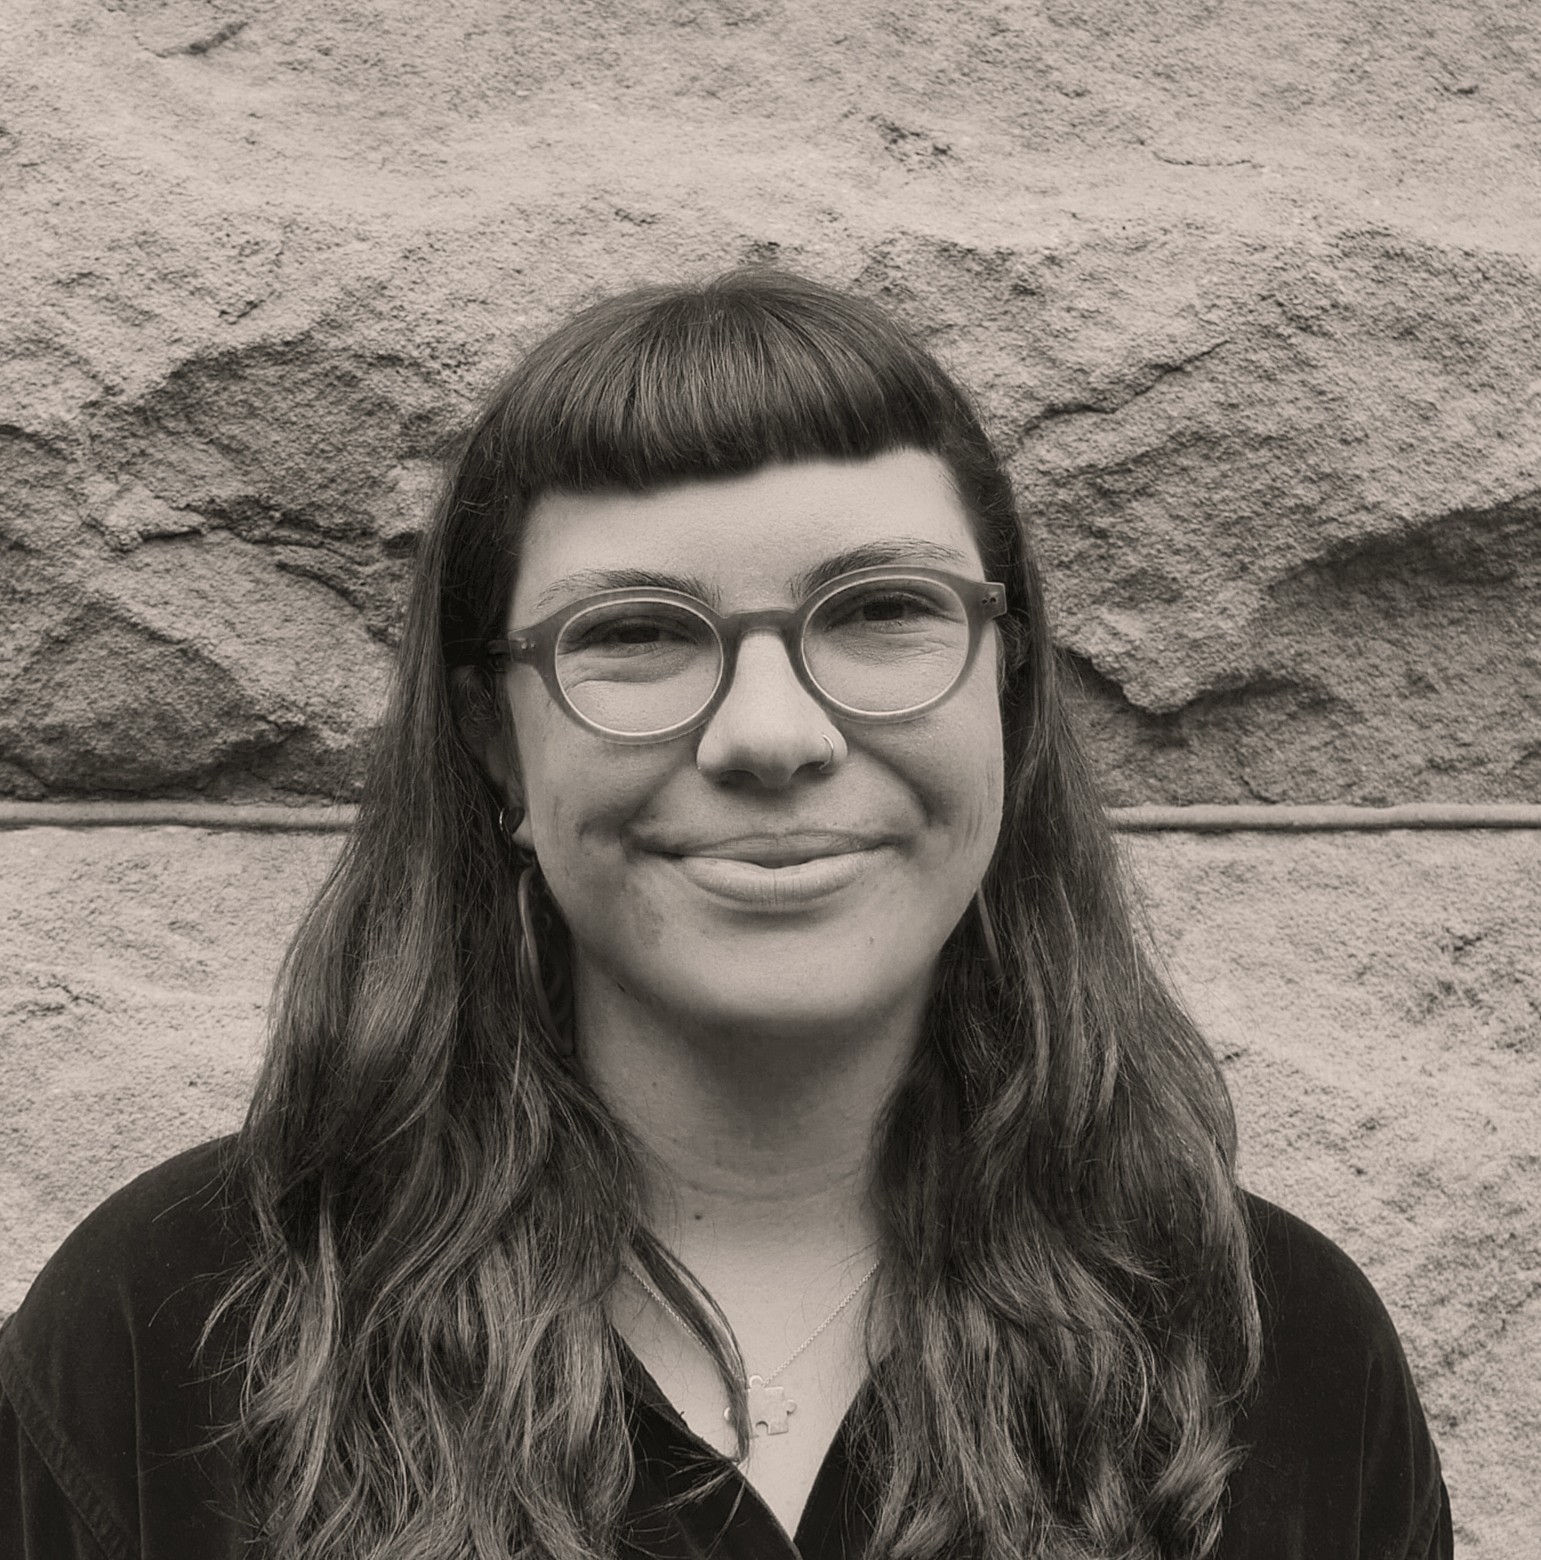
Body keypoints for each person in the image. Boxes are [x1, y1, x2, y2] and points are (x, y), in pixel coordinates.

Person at [0, 269, 1451, 1560]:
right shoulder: (166, 1335)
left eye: (881, 609)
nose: (773, 732)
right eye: (633, 633)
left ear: (1005, 695)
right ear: (495, 743)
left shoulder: (1271, 1347)